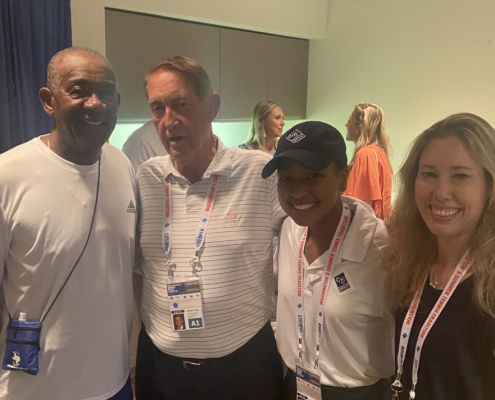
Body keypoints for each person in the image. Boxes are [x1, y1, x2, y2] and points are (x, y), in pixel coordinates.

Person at [135, 55, 285, 400]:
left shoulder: (262, 173)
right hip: (163, 369)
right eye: (157, 108)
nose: (169, 121)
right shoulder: (146, 178)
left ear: (212, 106)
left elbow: (310, 229)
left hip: (244, 367)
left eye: (181, 104)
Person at [0, 47, 136, 399]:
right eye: (79, 90)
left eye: (106, 93)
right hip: (34, 389)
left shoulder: (123, 166)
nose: (96, 103)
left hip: (114, 381)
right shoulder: (8, 175)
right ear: (49, 101)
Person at [262, 121, 394, 400]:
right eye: (286, 178)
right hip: (294, 384)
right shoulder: (289, 230)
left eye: (313, 176)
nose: (297, 192)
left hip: (356, 392)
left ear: (343, 178)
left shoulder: (379, 249)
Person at [383, 113, 495, 400]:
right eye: (429, 174)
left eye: (460, 175)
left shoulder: (489, 284)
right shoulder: (409, 261)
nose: (441, 192)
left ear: (489, 186)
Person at [343, 103, 393, 220]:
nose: (346, 124)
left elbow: (364, 205)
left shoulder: (366, 154)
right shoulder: (378, 152)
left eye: (349, 121)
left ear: (359, 128)